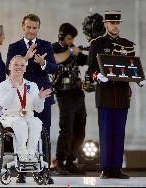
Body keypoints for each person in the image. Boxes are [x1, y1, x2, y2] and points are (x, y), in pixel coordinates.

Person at [88, 10, 146, 179]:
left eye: (118, 23)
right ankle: (106, 168)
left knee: (119, 132)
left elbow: (131, 67)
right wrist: (97, 76)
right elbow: (91, 68)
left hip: (121, 95)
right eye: (112, 23)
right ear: (106, 25)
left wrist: (138, 78)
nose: (115, 26)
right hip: (105, 94)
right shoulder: (97, 43)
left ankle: (117, 168)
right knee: (106, 132)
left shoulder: (128, 45)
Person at [6, 14, 57, 184]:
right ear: (23, 27)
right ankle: (22, 171)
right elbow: (9, 71)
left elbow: (54, 68)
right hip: (21, 97)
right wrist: (25, 59)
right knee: (23, 133)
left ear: (38, 28)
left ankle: (45, 171)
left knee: (45, 134)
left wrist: (43, 63)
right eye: (28, 27)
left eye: (34, 28)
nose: (31, 31)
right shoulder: (14, 47)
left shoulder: (46, 45)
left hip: (42, 94)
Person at [0, 55, 52, 182]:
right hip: (10, 117)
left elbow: (38, 109)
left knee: (37, 122)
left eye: (22, 65)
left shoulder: (31, 85)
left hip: (28, 116)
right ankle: (22, 153)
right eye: (16, 64)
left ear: (25, 69)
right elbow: (4, 104)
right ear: (10, 67)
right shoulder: (4, 85)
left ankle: (31, 153)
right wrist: (13, 88)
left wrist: (40, 97)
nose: (19, 67)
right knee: (20, 123)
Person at [52, 23, 87, 175]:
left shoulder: (73, 49)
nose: (70, 41)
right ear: (61, 36)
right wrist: (72, 50)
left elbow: (87, 60)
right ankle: (60, 162)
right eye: (68, 38)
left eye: (72, 39)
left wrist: (93, 50)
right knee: (66, 129)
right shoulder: (53, 48)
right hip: (64, 94)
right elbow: (55, 60)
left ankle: (71, 161)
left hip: (78, 93)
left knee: (80, 130)